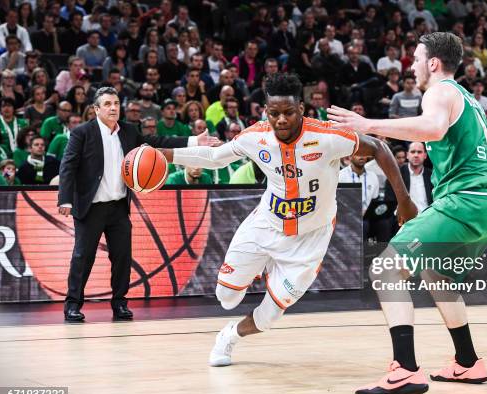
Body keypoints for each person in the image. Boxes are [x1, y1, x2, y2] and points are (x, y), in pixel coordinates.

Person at [159, 73, 417, 367]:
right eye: (274, 113)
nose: (281, 119)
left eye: (288, 112)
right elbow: (215, 156)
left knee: (268, 318)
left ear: (301, 110)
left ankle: (229, 336)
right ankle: (262, 266)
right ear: (265, 111)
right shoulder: (256, 136)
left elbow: (379, 148)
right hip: (266, 225)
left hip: (310, 237)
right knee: (226, 297)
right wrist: (164, 153)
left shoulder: (327, 136)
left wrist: (404, 200)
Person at [328, 32, 487, 394]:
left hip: (468, 201)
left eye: (415, 58)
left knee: (384, 269)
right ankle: (468, 361)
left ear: (433, 62)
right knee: (436, 273)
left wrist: (368, 124)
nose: (410, 65)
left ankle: (405, 370)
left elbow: (433, 128)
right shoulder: (467, 97)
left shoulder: (439, 91)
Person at [57, 87, 216, 323]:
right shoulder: (82, 133)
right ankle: (72, 305)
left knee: (122, 258)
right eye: (108, 104)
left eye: (116, 103)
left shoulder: (129, 131)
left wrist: (194, 140)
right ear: (96, 109)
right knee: (83, 257)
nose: (113, 107)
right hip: (90, 208)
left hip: (119, 207)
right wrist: (65, 199)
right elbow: (67, 167)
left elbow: (158, 141)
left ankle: (120, 304)